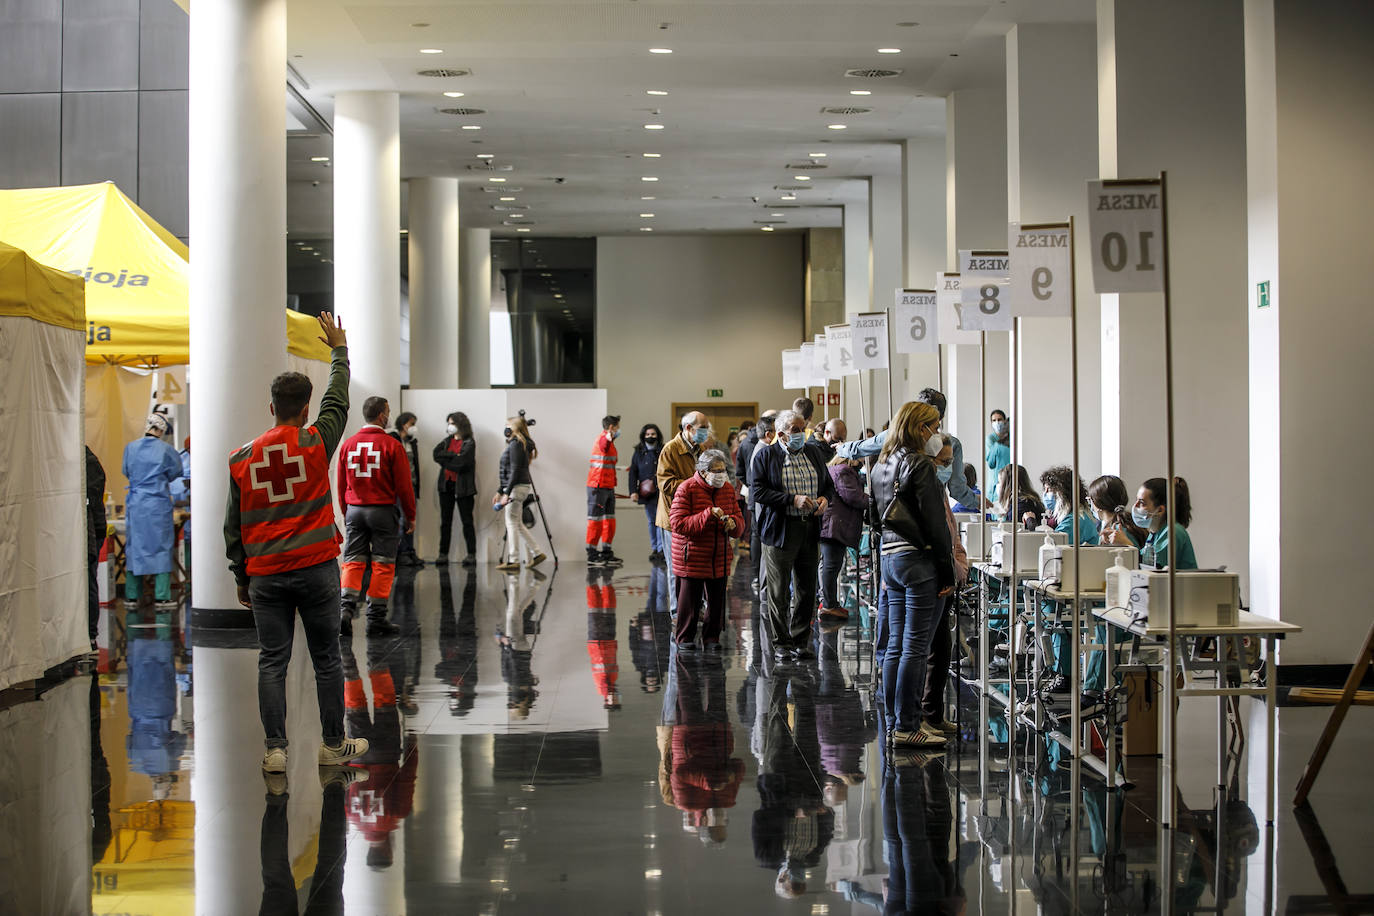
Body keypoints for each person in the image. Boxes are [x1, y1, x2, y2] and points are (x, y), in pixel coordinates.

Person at [225, 311, 368, 773]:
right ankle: (332, 744)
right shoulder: (315, 441)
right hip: (316, 569)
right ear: (304, 409)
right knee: (327, 659)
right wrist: (339, 351)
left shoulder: (242, 458)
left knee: (272, 661)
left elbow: (234, 526)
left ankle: (275, 750)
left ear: (271, 408)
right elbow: (338, 402)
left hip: (265, 574)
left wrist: (240, 576)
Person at [870, 402, 954, 748]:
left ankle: (895, 723)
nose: (937, 433)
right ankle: (908, 725)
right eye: (935, 426)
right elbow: (936, 524)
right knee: (915, 648)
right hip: (920, 560)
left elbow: (875, 517)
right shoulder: (919, 463)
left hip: (890, 558)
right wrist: (948, 569)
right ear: (922, 428)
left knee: (895, 646)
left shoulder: (880, 464)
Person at [751, 408, 834, 661]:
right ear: (781, 434)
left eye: (802, 430)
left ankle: (801, 640)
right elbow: (758, 492)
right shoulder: (766, 456)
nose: (800, 435)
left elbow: (828, 485)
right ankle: (781, 643)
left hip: (809, 527)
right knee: (779, 590)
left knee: (807, 588)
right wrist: (791, 499)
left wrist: (824, 500)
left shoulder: (813, 452)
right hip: (780, 529)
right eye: (795, 431)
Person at [337, 396, 417, 637]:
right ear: (382, 416)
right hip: (382, 512)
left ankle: (345, 611)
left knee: (353, 560)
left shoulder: (348, 444)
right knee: (382, 564)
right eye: (388, 411)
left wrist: (345, 510)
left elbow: (340, 483)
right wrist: (410, 516)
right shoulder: (392, 445)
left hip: (355, 510)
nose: (389, 415)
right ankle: (376, 619)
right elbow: (405, 486)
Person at [835, 387, 987, 511]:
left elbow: (862, 447)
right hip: (926, 513)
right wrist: (975, 501)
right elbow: (957, 488)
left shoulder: (895, 437)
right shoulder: (951, 445)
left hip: (899, 513)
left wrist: (842, 448)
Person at [669, 449, 742, 650]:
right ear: (702, 472)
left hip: (718, 556)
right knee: (689, 604)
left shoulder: (727, 489)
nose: (720, 474)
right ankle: (685, 639)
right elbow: (678, 524)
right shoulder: (686, 489)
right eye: (716, 470)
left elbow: (738, 517)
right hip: (692, 555)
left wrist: (734, 524)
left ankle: (712, 638)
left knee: (717, 603)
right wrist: (707, 515)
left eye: (723, 470)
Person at [921, 435, 968, 734]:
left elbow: (951, 534)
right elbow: (935, 538)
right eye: (945, 463)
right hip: (933, 578)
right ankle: (923, 715)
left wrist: (960, 562)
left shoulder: (939, 491)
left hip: (947, 574)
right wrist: (949, 571)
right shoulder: (926, 492)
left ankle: (933, 713)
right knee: (928, 648)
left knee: (941, 648)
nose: (948, 469)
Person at [122, 413, 184, 608]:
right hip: (157, 504)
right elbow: (175, 472)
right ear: (162, 430)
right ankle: (162, 596)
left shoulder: (130, 449)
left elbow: (126, 471)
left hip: (137, 504)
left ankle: (131, 596)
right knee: (161, 548)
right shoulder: (166, 451)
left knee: (135, 548)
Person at [657, 411, 711, 613]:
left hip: (697, 517)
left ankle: (695, 608)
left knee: (696, 566)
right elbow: (665, 484)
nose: (706, 432)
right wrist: (695, 485)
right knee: (677, 568)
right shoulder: (670, 450)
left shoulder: (701, 448)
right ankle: (677, 611)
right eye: (702, 428)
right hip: (674, 518)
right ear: (688, 428)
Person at [818, 455, 865, 621]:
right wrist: (872, 500)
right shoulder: (843, 471)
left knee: (827, 564)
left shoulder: (832, 469)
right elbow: (853, 497)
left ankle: (827, 602)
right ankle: (829, 605)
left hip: (831, 523)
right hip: (836, 525)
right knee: (832, 565)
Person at [496, 415, 545, 570]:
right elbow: (511, 470)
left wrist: (506, 493)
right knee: (517, 523)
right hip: (520, 486)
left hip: (515, 488)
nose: (506, 428)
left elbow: (515, 470)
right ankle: (537, 553)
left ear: (515, 428)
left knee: (511, 523)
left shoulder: (517, 444)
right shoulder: (520, 444)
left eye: (508, 425)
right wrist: (500, 491)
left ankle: (514, 560)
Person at [432, 411, 477, 566]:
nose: (450, 426)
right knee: (445, 522)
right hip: (446, 486)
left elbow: (462, 464)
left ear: (460, 424)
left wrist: (447, 459)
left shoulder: (469, 442)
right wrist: (453, 456)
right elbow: (436, 454)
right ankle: (443, 554)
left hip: (464, 488)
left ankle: (471, 554)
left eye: (452, 423)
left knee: (467, 521)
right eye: (449, 423)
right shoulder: (447, 441)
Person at [586, 414, 624, 568]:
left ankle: (606, 552)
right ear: (611, 427)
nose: (619, 430)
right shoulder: (604, 439)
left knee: (609, 520)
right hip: (597, 487)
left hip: (608, 487)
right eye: (617, 427)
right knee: (595, 521)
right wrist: (608, 437)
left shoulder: (611, 442)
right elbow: (603, 446)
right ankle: (592, 554)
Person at [1135, 476, 1197, 570]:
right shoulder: (1155, 532)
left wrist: (1128, 547)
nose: (1135, 506)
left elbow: (1154, 565)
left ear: (1160, 510)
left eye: (1142, 503)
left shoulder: (1173, 531)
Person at [628, 423, 667, 562]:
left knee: (661, 522)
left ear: (658, 435)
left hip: (662, 492)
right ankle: (655, 548)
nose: (650, 437)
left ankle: (662, 549)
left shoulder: (663, 450)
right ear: (643, 436)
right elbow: (633, 473)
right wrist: (633, 491)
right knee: (652, 521)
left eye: (653, 434)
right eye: (648, 434)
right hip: (647, 493)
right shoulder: (638, 452)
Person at [389, 412, 423, 567]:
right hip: (397, 488)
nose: (413, 427)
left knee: (411, 520)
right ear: (403, 424)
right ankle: (401, 552)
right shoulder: (393, 439)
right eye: (411, 424)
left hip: (412, 485)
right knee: (401, 520)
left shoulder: (412, 442)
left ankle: (410, 551)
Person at [1036, 465, 1100, 544]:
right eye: (1044, 490)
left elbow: (1051, 547)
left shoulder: (1072, 522)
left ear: (1062, 493)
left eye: (1049, 490)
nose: (1045, 494)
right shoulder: (1076, 516)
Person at [86, 446, 107, 649]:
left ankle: (91, 635)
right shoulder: (90, 460)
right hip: (93, 527)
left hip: (92, 528)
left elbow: (91, 500)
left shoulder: (87, 462)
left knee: (89, 579)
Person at [994, 464, 1045, 529]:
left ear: (1007, 484)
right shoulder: (1023, 500)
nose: (998, 485)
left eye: (999, 482)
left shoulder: (1021, 504)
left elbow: (1017, 530)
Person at [986, 409, 1011, 502]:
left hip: (1001, 481)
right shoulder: (991, 439)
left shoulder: (997, 445)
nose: (997, 422)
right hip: (996, 480)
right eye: (994, 420)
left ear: (1005, 421)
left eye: (999, 420)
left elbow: (991, 463)